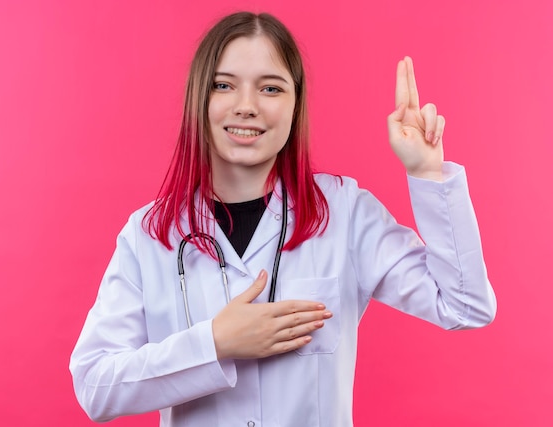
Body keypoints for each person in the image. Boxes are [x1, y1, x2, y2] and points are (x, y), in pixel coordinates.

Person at [70, 11, 496, 427]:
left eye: (271, 89)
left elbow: (464, 305)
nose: (247, 106)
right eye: (224, 85)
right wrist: (215, 344)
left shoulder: (344, 211)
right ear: (199, 99)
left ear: (296, 105)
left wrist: (426, 173)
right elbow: (94, 385)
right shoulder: (149, 235)